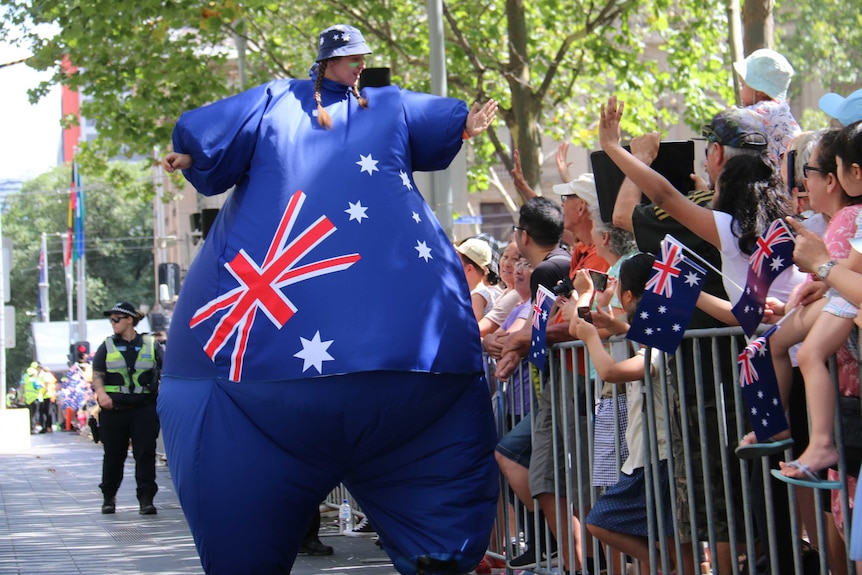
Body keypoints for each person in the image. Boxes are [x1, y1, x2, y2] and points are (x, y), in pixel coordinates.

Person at [160, 23, 500, 575]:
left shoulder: (385, 105)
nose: (358, 66)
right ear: (325, 62)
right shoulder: (280, 100)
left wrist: (466, 125)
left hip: (397, 373)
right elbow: (211, 138)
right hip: (333, 373)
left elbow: (443, 120)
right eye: (349, 59)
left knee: (438, 531)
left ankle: (440, 554)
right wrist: (189, 155)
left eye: (362, 58)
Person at [575, 252, 676, 574]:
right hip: (644, 455)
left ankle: (661, 563)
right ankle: (660, 562)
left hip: (656, 454)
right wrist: (611, 322)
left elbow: (612, 371)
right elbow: (642, 339)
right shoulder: (657, 331)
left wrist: (591, 337)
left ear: (630, 295)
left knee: (601, 520)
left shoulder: (662, 339)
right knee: (657, 532)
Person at [91, 302, 163, 515]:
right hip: (114, 409)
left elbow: (165, 372)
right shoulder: (107, 345)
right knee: (113, 455)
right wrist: (102, 396)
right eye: (111, 319)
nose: (112, 323)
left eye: (116, 319)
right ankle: (109, 497)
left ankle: (146, 499)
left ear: (129, 319)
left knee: (145, 454)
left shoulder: (151, 344)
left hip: (144, 408)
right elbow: (97, 374)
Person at [733, 48, 801, 164]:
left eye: (742, 85)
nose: (740, 91)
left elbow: (732, 118)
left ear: (760, 90)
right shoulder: (780, 109)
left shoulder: (766, 110)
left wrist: (731, 111)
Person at [456, 237, 500, 321]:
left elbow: (474, 328)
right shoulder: (474, 292)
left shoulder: (477, 296)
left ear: (469, 269)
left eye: (458, 262)